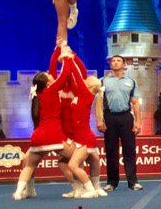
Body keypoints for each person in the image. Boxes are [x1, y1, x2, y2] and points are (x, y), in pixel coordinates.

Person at [13, 46, 95, 200]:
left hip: (37, 137)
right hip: (54, 136)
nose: (51, 75)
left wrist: (57, 49)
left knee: (29, 165)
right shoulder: (51, 91)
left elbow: (55, 72)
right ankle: (85, 188)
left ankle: (19, 192)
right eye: (48, 76)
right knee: (77, 156)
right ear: (46, 82)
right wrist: (66, 57)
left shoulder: (38, 95)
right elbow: (64, 74)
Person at [63, 52, 108, 196]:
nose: (84, 79)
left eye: (86, 79)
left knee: (73, 164)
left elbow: (77, 73)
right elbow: (74, 75)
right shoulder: (80, 94)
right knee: (93, 159)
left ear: (89, 84)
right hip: (80, 136)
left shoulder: (88, 95)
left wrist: (69, 59)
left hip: (84, 137)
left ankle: (90, 189)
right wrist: (72, 57)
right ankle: (95, 187)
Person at [96, 55, 143, 191]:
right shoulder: (103, 81)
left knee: (129, 150)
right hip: (109, 117)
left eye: (118, 61)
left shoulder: (131, 82)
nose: (115, 63)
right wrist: (99, 120)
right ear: (110, 65)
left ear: (124, 65)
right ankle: (112, 182)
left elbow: (135, 103)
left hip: (126, 117)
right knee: (111, 151)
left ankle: (133, 182)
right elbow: (98, 102)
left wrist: (138, 122)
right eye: (113, 61)